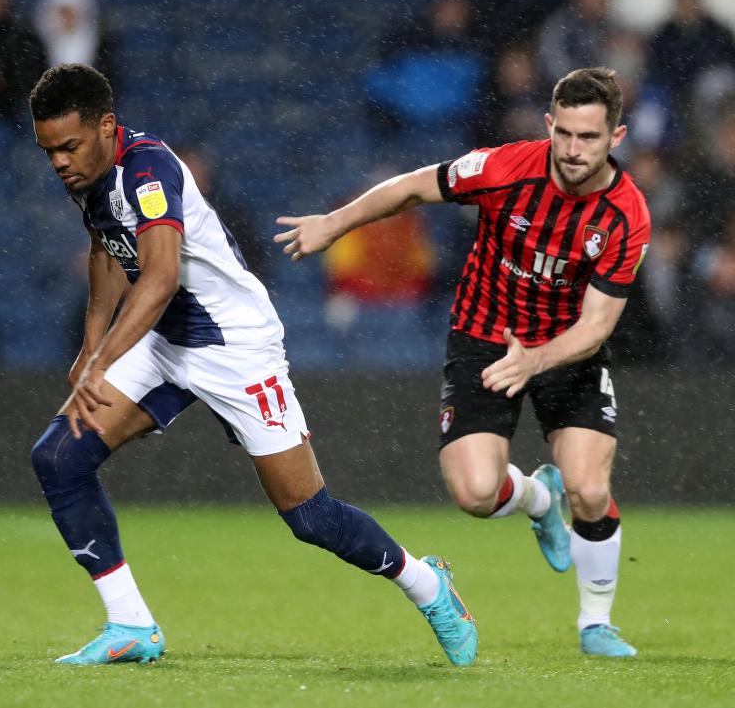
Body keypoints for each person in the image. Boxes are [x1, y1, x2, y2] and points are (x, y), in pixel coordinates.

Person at [26, 64, 478, 667]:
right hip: (165, 341)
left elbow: (158, 279)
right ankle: (130, 624)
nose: (59, 161)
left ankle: (426, 584)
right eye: (49, 150)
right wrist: (89, 345)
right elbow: (106, 247)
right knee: (59, 459)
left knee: (311, 518)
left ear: (106, 126)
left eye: (69, 146)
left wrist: (101, 360)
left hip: (234, 345)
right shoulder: (89, 174)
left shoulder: (149, 170)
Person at [275, 67, 650, 658]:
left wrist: (536, 361)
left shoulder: (626, 215)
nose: (574, 150)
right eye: (565, 134)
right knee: (476, 494)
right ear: (549, 125)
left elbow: (597, 326)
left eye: (589, 137)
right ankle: (538, 500)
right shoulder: (503, 168)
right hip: (484, 337)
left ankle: (595, 624)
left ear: (616, 137)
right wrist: (335, 224)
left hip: (566, 349)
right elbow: (411, 187)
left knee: (589, 488)